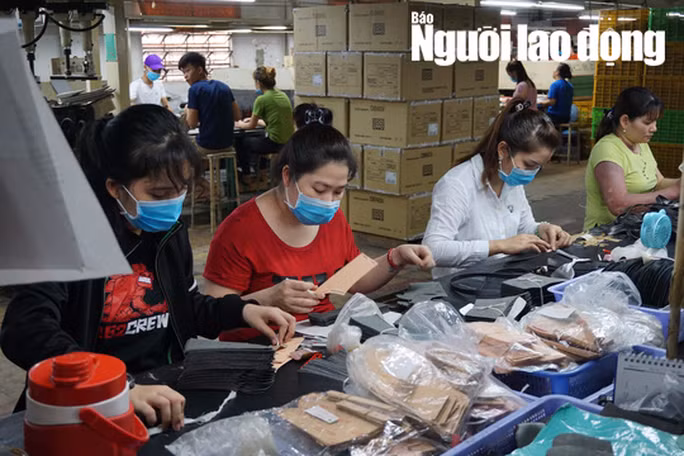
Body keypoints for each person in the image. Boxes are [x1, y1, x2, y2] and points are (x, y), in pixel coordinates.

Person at [0, 105, 295, 431]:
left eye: (181, 189)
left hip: (161, 392)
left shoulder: (168, 235)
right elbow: (26, 330)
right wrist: (115, 387)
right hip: (87, 410)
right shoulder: (68, 239)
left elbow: (184, 308)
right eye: (159, 193)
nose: (173, 202)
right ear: (115, 187)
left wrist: (242, 310)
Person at [202, 121, 435, 339]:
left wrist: (396, 257)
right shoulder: (240, 230)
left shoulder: (332, 219)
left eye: (338, 191)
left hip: (320, 338)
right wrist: (267, 298)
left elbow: (353, 279)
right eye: (320, 189)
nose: (328, 201)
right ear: (288, 176)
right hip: (259, 348)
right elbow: (212, 313)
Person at [423, 98, 572, 279]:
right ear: (503, 150)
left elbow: (524, 226)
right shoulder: (457, 184)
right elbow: (433, 249)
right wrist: (498, 246)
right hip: (460, 284)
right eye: (529, 165)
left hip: (500, 277)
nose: (531, 173)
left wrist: (542, 230)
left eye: (538, 167)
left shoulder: (510, 180)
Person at [584, 87, 680, 230]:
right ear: (625, 121)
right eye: (647, 122)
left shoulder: (641, 144)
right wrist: (674, 191)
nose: (654, 128)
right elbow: (618, 204)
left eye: (655, 122)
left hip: (637, 227)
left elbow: (659, 182)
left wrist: (680, 183)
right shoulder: (607, 149)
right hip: (606, 233)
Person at [178, 52, 241, 153]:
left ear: (199, 70)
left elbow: (192, 124)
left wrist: (187, 110)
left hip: (207, 145)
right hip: (228, 144)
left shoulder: (194, 89)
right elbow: (238, 116)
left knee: (182, 147)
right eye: (183, 73)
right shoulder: (224, 87)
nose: (185, 76)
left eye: (188, 71)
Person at [235, 66, 294, 174]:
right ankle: (262, 172)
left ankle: (246, 174)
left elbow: (251, 126)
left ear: (258, 82)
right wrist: (257, 121)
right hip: (288, 142)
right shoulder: (283, 95)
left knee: (242, 142)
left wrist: (239, 124)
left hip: (275, 143)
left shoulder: (261, 99)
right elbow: (275, 121)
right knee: (260, 137)